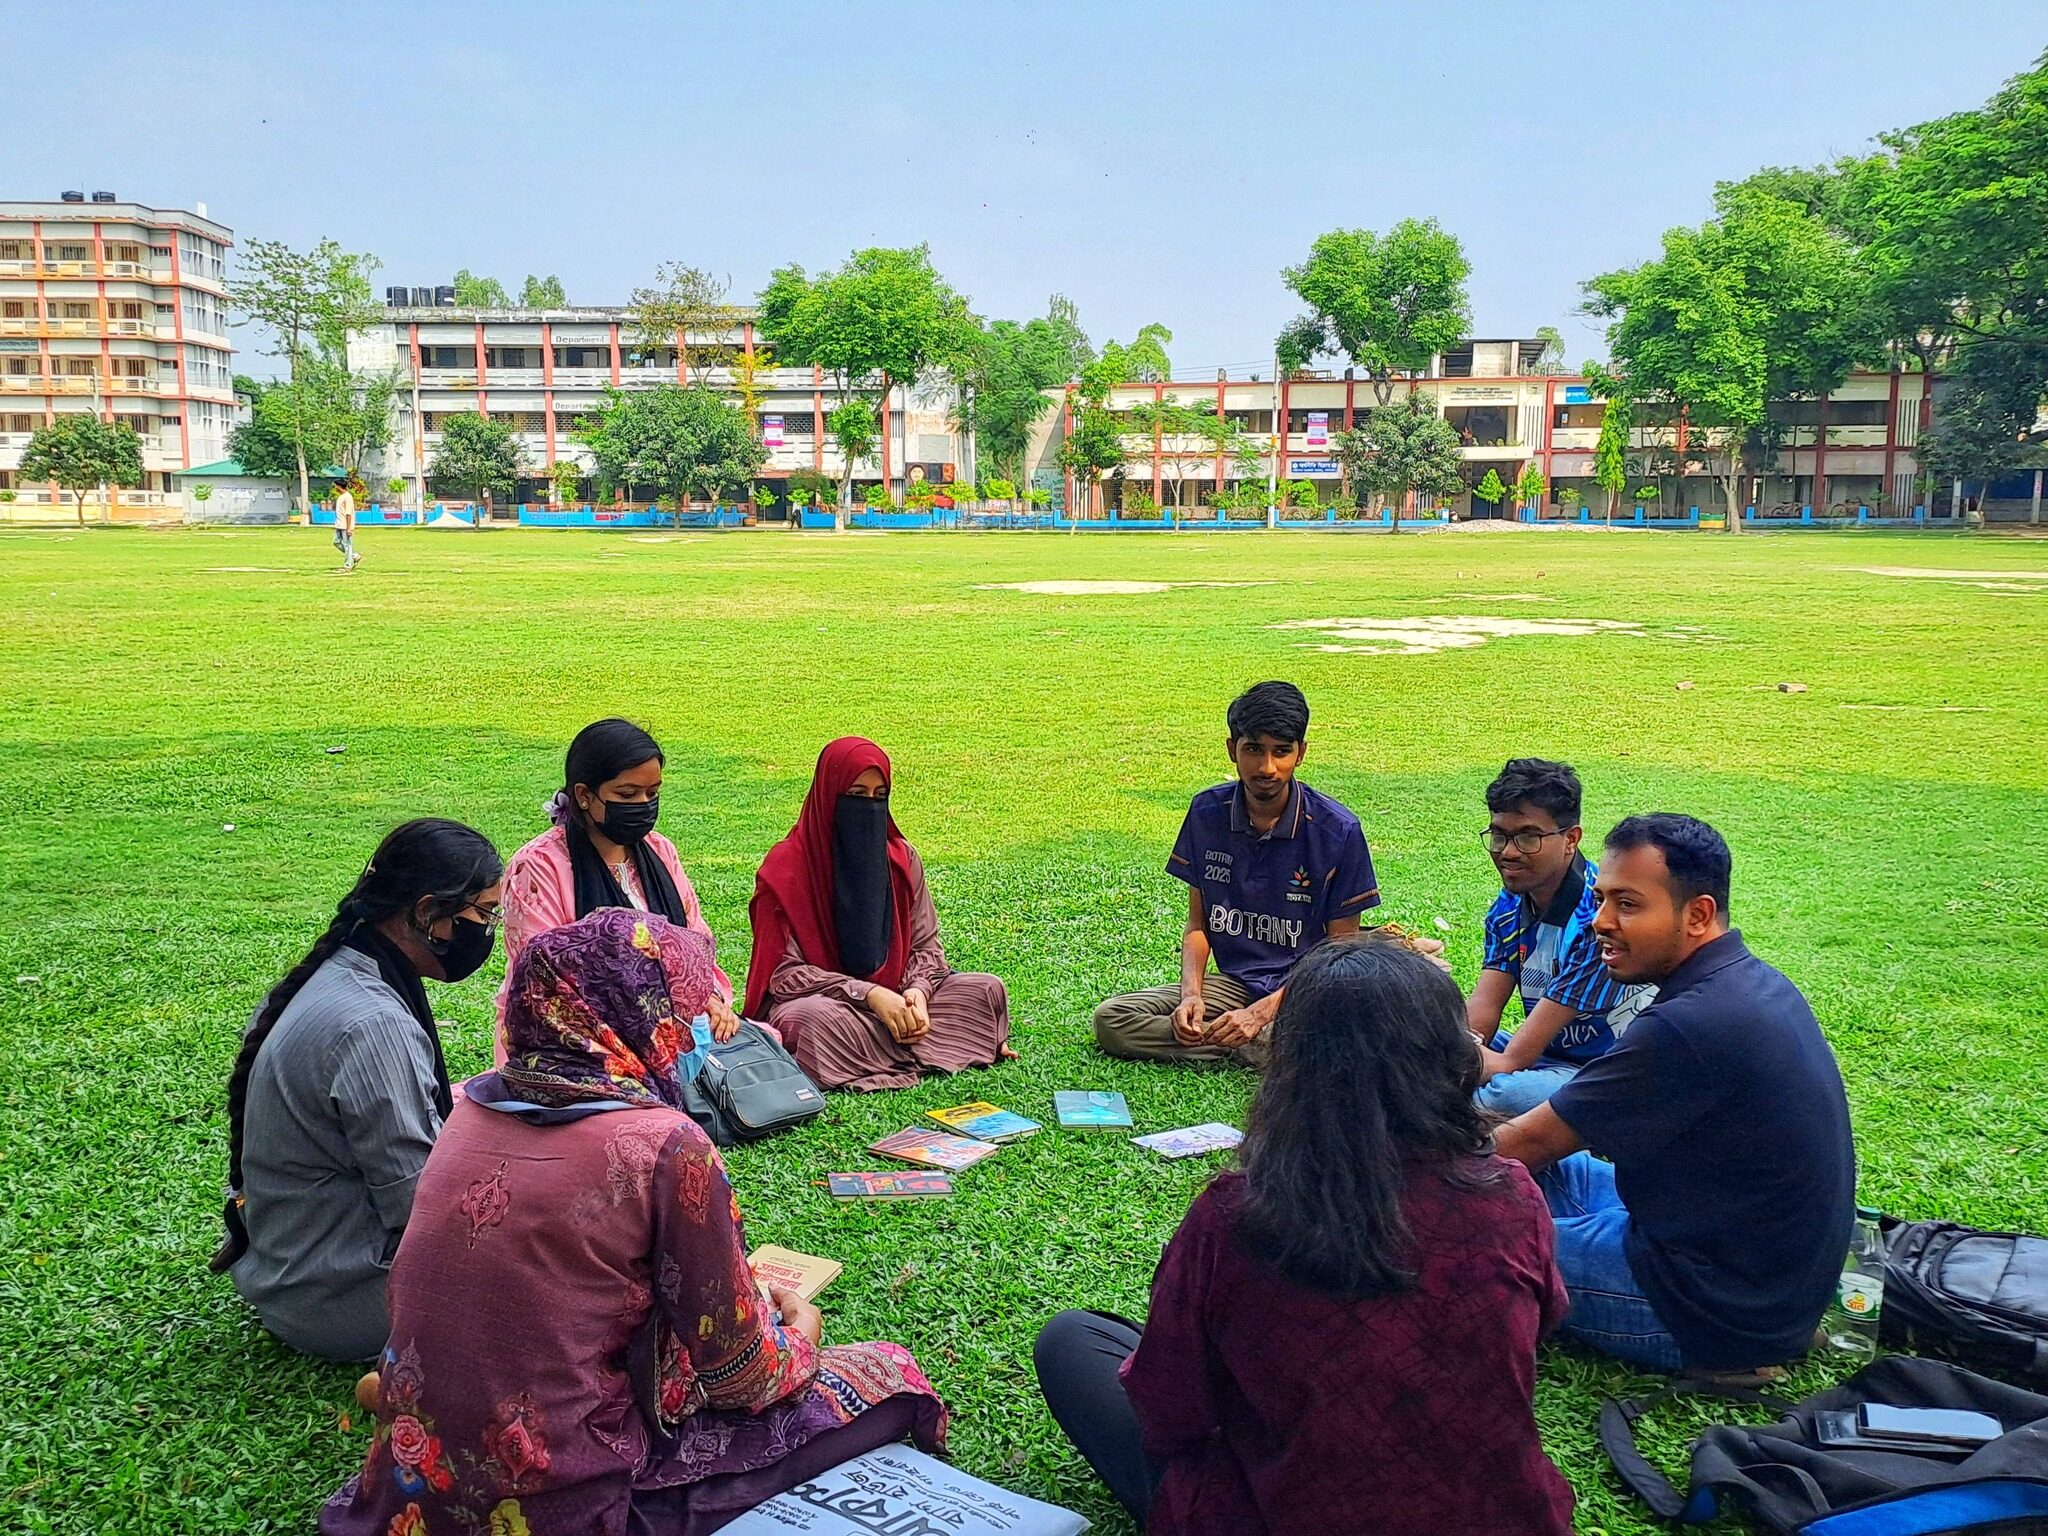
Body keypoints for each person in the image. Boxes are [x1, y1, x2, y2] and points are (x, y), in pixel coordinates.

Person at [321, 909, 945, 1536]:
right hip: (571, 1491)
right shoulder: (664, 1143)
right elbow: (741, 1375)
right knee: (888, 1377)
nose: (692, 1031)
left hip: (415, 1485)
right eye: (681, 1011)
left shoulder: (466, 1111)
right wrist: (800, 1336)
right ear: (640, 1013)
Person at [1037, 937, 1574, 1536]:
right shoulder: (1512, 1195)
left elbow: (1169, 1411)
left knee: (1073, 1340)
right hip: (1506, 1517)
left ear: (1290, 1067)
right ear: (1453, 1059)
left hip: (1283, 1510)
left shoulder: (1235, 1213)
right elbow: (1541, 1324)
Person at [1494, 814, 1856, 1376]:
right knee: (1540, 1180)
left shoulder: (1691, 1024)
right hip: (1727, 1256)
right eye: (1600, 899)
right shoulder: (1749, 982)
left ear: (1698, 914)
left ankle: (1736, 1359)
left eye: (1628, 905)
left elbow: (1520, 1145)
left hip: (1709, 1307)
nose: (1600, 922)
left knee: (1465, 1232)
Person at [210, 818, 503, 1361]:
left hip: (294, 1272)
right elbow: (420, 1210)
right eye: (483, 914)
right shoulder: (372, 1024)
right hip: (341, 1298)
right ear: (426, 913)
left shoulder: (338, 972)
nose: (488, 930)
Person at [1092, 681, 1396, 1067]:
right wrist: (1191, 997)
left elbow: (1337, 957)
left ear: (1300, 754)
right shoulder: (1206, 813)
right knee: (1112, 1021)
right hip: (1237, 985)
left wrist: (1261, 1014)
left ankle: (1264, 1040)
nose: (1266, 767)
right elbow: (1198, 926)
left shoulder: (1337, 831)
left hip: (1307, 990)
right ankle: (1261, 1047)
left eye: (1281, 752)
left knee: (1350, 1031)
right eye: (1253, 749)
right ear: (1232, 749)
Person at [742, 737, 1010, 1091]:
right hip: (832, 1005)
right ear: (828, 795)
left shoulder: (900, 859)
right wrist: (867, 994)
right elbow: (783, 975)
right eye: (855, 796)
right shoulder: (786, 870)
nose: (868, 807)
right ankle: (922, 1048)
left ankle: (891, 1048)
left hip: (900, 999)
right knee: (806, 1022)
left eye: (878, 797)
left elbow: (927, 946)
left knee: (986, 989)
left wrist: (917, 993)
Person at [497, 718, 742, 1063]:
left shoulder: (660, 850)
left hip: (673, 1025)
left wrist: (709, 1000)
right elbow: (544, 977)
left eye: (652, 793)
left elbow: (693, 942)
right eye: (627, 795)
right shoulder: (538, 866)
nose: (643, 804)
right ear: (584, 795)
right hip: (576, 1039)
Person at [1466, 758, 1654, 1115]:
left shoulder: (1597, 921)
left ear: (1571, 839)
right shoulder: (1509, 906)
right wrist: (1445, 1052)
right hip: (1546, 1057)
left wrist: (1440, 1072)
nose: (1508, 852)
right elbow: (1483, 1013)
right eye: (1499, 835)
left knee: (1503, 1096)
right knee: (1419, 1051)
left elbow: (1512, 1062)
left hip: (1607, 1075)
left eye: (1527, 837)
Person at [333, 482, 358, 572]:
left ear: (339, 486)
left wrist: (348, 528)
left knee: (347, 545)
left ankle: (348, 565)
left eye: (335, 485)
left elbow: (348, 513)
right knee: (336, 542)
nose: (334, 487)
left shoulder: (348, 497)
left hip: (345, 525)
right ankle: (354, 556)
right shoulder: (341, 497)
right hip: (339, 524)